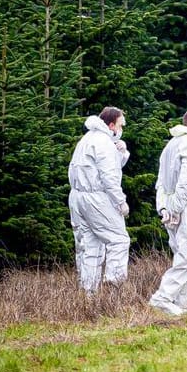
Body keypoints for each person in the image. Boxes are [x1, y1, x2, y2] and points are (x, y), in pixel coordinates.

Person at [149, 110, 187, 315]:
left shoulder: (171, 145)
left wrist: (165, 208)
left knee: (181, 252)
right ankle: (163, 297)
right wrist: (176, 207)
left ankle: (185, 302)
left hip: (172, 205)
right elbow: (186, 179)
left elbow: (161, 182)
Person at [68, 107, 130, 294]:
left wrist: (121, 152)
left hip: (78, 197)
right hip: (97, 198)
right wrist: (120, 202)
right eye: (120, 125)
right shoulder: (103, 142)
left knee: (89, 246)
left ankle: (89, 294)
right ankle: (114, 289)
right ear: (111, 125)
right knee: (119, 240)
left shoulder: (87, 139)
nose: (121, 129)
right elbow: (109, 176)